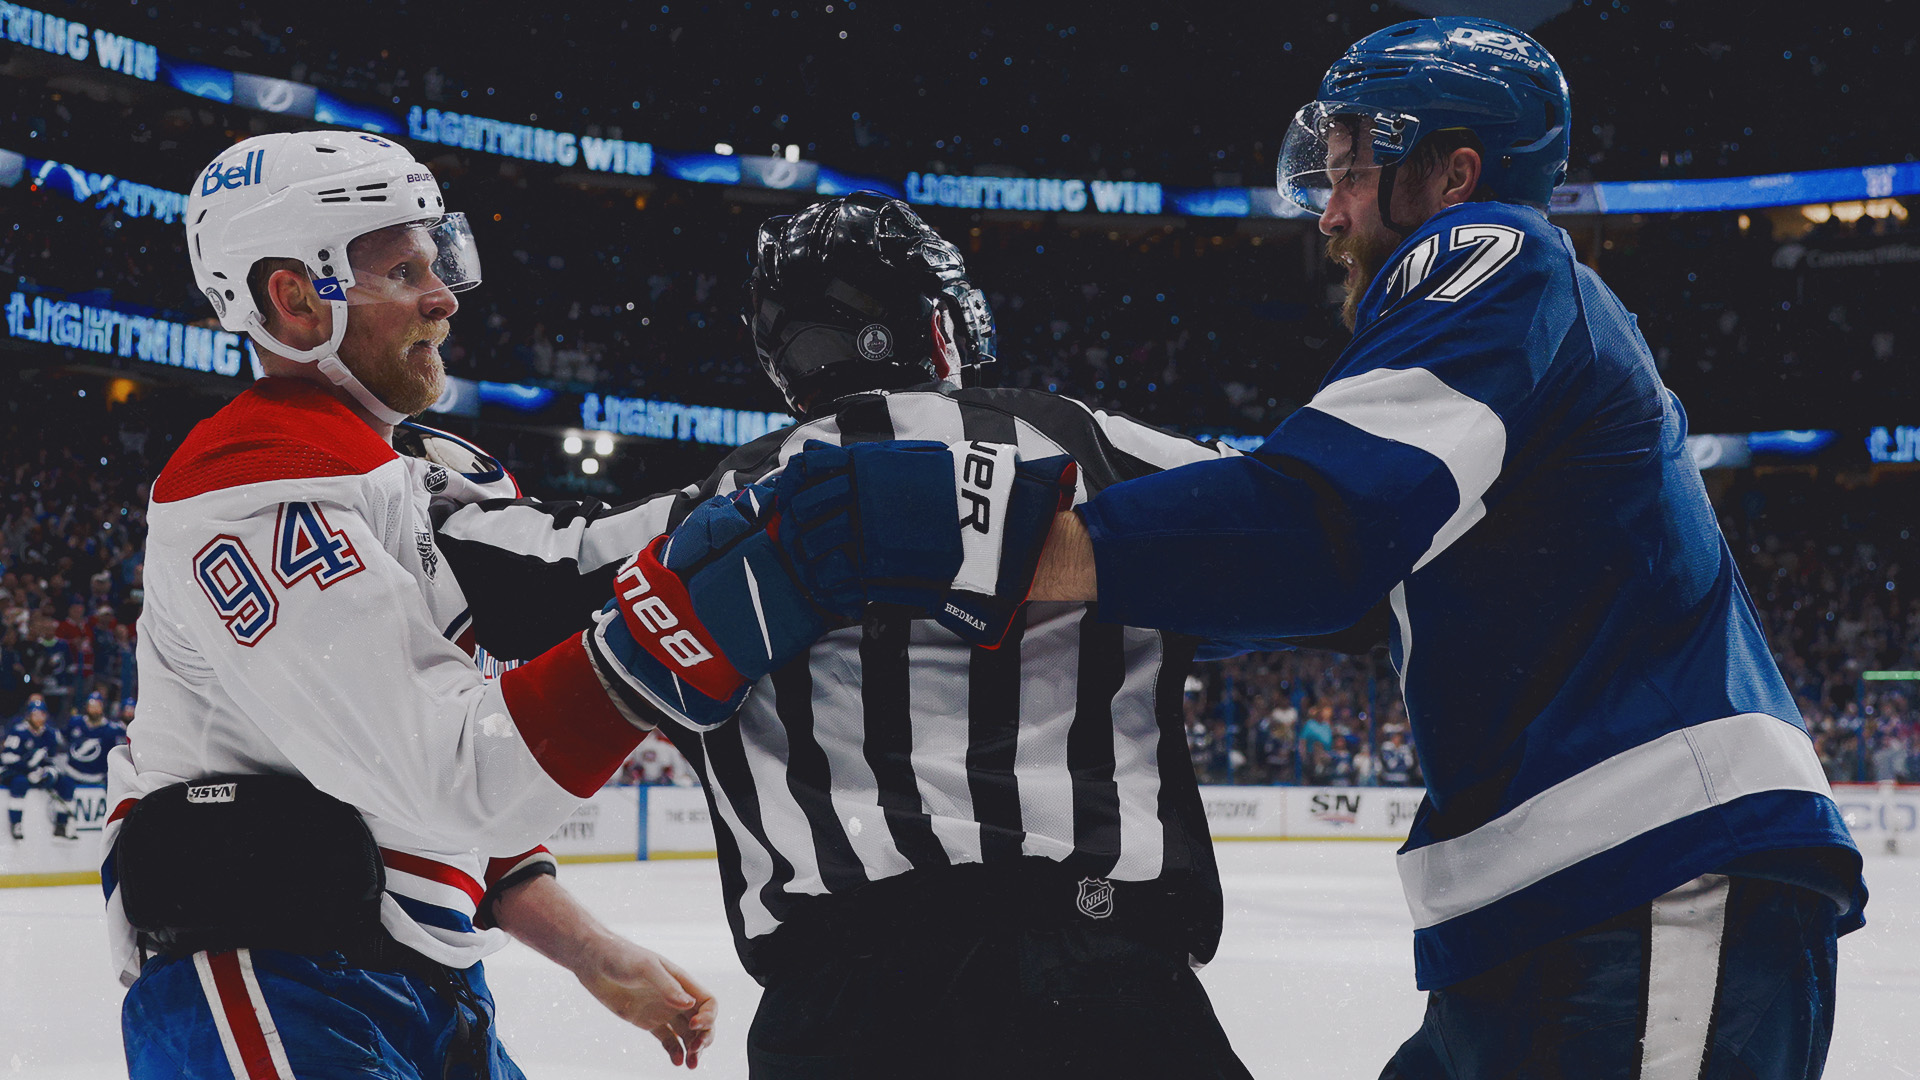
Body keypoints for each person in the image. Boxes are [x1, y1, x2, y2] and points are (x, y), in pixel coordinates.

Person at [773, 19, 1867, 1080]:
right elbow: (1317, 588)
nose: (1327, 213)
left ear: (1451, 176)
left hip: (1652, 879)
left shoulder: (1499, 255)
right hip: (1556, 918)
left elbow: (1312, 536)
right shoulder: (1483, 369)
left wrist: (970, 534)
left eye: (1349, 170)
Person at [432, 193, 1259, 1078]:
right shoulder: (1070, 439)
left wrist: (406, 472)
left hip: (840, 1009)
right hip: (1096, 976)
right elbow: (1299, 529)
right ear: (920, 322)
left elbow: (520, 583)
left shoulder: (719, 505)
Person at [107, 129, 718, 1080]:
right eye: (402, 271)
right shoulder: (254, 481)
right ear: (296, 298)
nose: (444, 295)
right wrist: (683, 628)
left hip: (420, 991)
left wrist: (592, 952)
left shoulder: (411, 474)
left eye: (440, 260)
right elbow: (454, 775)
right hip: (270, 978)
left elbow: (444, 807)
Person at [4, 700, 74, 839]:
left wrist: (49, 772)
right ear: (28, 715)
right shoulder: (19, 731)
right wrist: (27, 771)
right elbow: (7, 757)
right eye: (35, 714)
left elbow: (54, 759)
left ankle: (61, 825)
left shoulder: (50, 733)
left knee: (67, 783)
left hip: (39, 773)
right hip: (17, 771)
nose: (38, 718)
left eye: (41, 714)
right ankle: (16, 823)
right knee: (20, 782)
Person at [65, 689, 127, 793]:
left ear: (102, 707)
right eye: (92, 706)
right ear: (87, 707)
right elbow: (63, 740)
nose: (94, 709)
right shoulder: (75, 723)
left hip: (98, 779)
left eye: (97, 706)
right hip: (73, 775)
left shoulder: (112, 730)